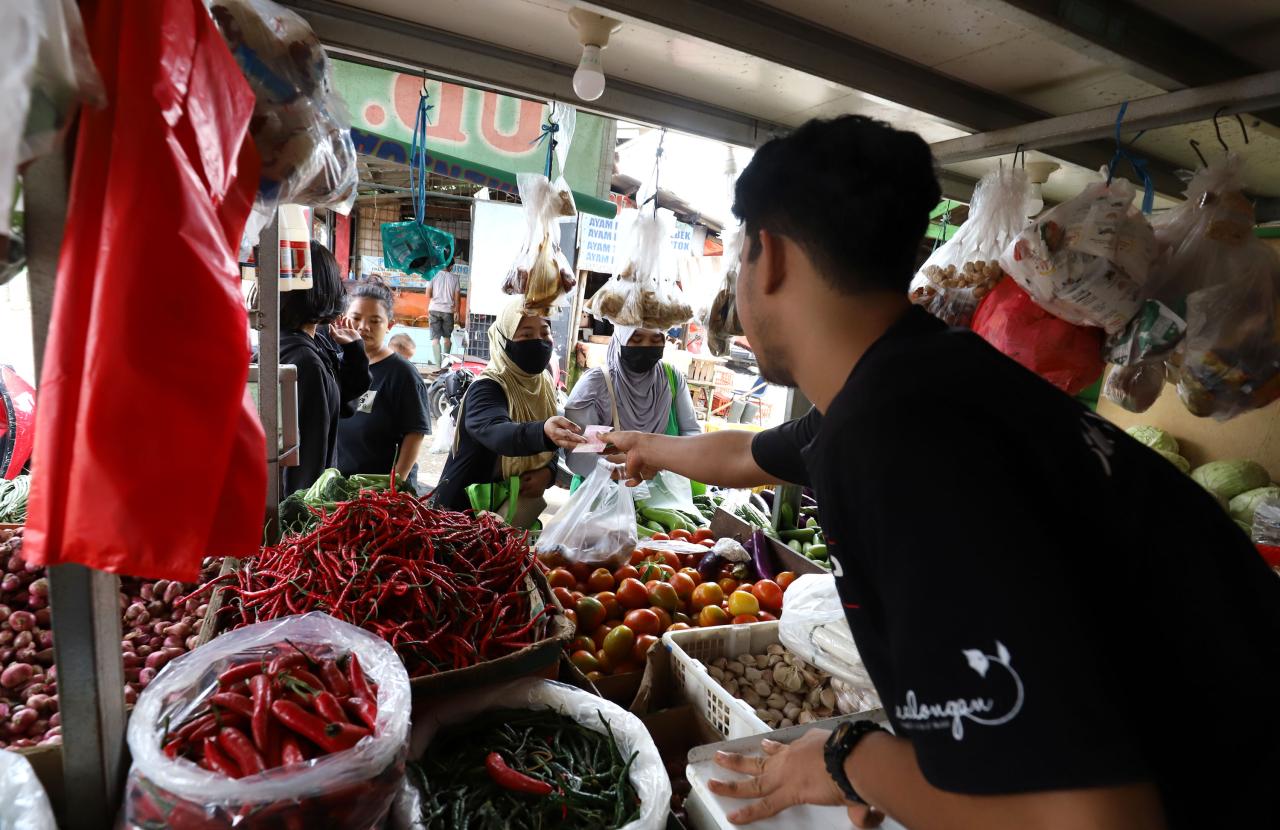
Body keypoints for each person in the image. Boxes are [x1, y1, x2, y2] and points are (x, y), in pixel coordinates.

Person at [605, 116, 1280, 829]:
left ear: (765, 255)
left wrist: (847, 760)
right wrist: (644, 446)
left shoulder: (896, 442)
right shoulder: (922, 382)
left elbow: (1089, 820)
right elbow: (745, 453)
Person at [433, 298, 586, 525]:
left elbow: (547, 450)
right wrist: (543, 433)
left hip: (508, 515)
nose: (538, 341)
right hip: (460, 517)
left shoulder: (542, 382)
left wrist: (548, 474)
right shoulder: (487, 387)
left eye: (545, 334)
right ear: (503, 340)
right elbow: (497, 432)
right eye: (525, 334)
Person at [279, 242, 370, 495]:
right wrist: (303, 515)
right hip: (299, 504)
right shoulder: (305, 360)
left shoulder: (312, 341)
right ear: (323, 290)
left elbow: (343, 405)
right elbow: (309, 452)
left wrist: (354, 353)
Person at [562, 325, 700, 484]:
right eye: (636, 339)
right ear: (620, 339)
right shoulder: (597, 386)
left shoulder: (670, 378)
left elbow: (691, 432)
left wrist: (670, 460)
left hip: (662, 494)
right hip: (603, 495)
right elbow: (580, 454)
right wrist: (621, 467)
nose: (647, 347)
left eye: (656, 340)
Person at [335, 282, 430, 491]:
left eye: (375, 321)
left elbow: (415, 434)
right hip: (341, 486)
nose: (363, 327)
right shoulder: (336, 364)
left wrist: (395, 484)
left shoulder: (402, 373)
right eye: (357, 318)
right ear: (344, 319)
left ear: (389, 325)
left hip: (382, 491)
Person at [427, 267, 460, 365]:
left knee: (435, 339)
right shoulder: (455, 278)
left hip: (434, 309)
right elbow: (457, 297)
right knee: (447, 339)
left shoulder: (432, 275)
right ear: (451, 266)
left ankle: (438, 366)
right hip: (448, 311)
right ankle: (445, 365)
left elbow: (428, 295)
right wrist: (457, 311)